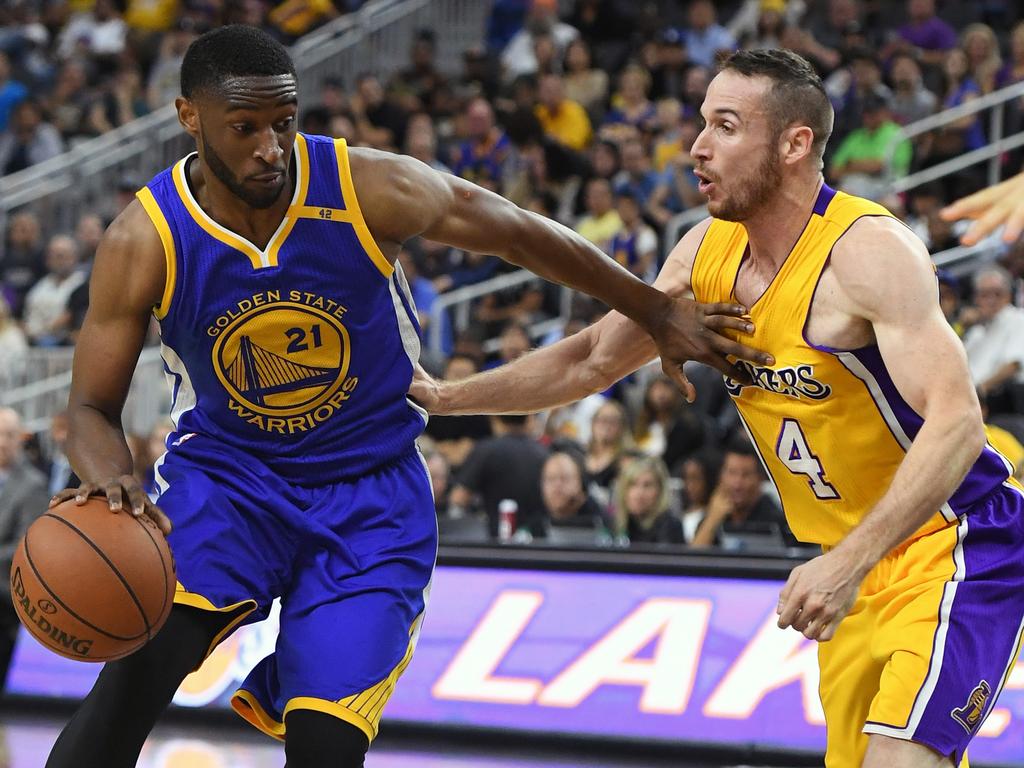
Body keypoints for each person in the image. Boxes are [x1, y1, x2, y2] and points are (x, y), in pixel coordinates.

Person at [44, 26, 764, 768]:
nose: (271, 147)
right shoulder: (146, 238)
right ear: (189, 117)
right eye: (245, 128)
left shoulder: (368, 187)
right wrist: (113, 480)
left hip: (370, 498)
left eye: (284, 123)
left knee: (327, 749)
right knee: (129, 690)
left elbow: (519, 233)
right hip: (228, 483)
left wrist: (652, 308)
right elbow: (90, 410)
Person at [414, 49, 1024, 767]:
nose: (697, 147)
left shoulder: (868, 254)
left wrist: (850, 560)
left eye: (726, 127)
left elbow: (958, 423)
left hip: (953, 546)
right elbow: (589, 359)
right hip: (849, 559)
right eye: (702, 123)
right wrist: (444, 395)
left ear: (795, 145)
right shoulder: (703, 253)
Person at [0, 408, 48, 690]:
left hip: (4, 593)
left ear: (21, 439)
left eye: (9, 435)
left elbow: (26, 545)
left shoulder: (33, 485)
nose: (3, 442)